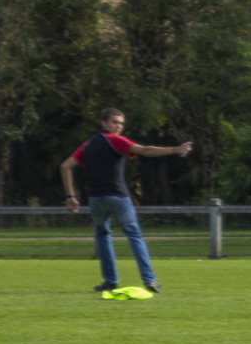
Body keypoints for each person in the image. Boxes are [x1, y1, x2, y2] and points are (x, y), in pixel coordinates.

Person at [61, 108, 192, 293]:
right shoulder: (115, 140)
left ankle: (110, 282)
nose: (118, 126)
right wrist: (175, 149)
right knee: (134, 235)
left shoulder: (88, 145)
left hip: (96, 199)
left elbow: (65, 166)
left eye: (121, 123)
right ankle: (149, 280)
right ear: (103, 123)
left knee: (103, 235)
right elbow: (145, 150)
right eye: (114, 122)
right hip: (118, 197)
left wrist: (70, 196)